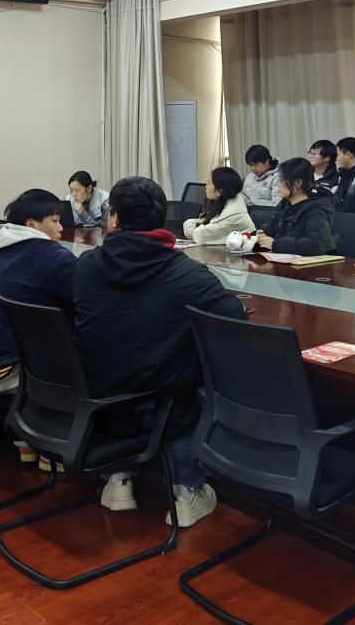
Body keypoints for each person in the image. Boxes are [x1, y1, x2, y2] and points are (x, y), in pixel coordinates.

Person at [73, 176, 246, 526]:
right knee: (190, 373)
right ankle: (186, 490)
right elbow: (235, 319)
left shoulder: (87, 265)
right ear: (162, 220)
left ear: (114, 218)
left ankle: (118, 477)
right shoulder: (190, 276)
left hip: (97, 392)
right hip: (161, 397)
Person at [0, 189, 77, 396]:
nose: (60, 228)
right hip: (5, 370)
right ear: (31, 224)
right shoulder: (51, 255)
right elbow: (88, 297)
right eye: (55, 221)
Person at [254, 157, 336, 256]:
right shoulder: (285, 204)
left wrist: (276, 244)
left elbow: (317, 244)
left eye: (282, 180)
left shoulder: (316, 210)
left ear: (298, 183)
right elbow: (271, 230)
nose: (278, 184)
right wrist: (258, 237)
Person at [182, 167, 255, 246]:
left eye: (209, 183)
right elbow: (193, 223)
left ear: (219, 192)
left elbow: (200, 236)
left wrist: (195, 227)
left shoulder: (233, 216)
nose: (206, 186)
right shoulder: (222, 202)